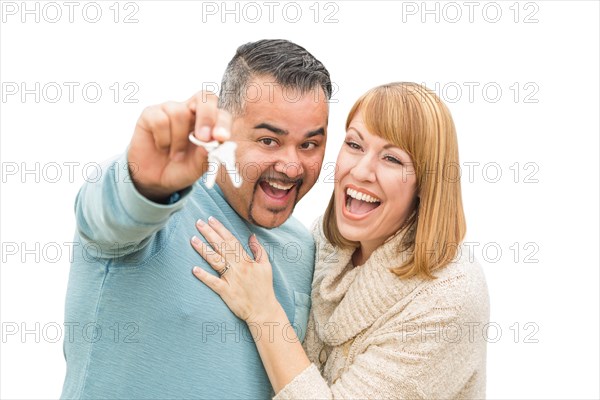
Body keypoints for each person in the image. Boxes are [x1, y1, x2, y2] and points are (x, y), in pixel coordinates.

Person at [60, 39, 332, 399]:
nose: (292, 165)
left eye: (309, 145)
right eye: (268, 141)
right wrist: (145, 183)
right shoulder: (156, 214)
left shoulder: (305, 249)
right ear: (224, 131)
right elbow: (104, 215)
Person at [189, 82, 490, 399]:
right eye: (355, 145)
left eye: (392, 159)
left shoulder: (449, 296)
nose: (360, 171)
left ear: (425, 185)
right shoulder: (327, 242)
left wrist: (264, 313)